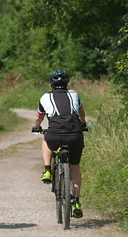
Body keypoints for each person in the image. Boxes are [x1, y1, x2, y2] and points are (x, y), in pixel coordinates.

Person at [32, 70, 87, 218]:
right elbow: (81, 112)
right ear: (67, 83)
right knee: (74, 168)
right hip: (75, 135)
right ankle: (76, 201)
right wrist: (83, 124)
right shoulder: (74, 95)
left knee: (45, 138)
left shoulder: (45, 97)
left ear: (51, 84)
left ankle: (47, 169)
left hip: (54, 135)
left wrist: (37, 127)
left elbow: (39, 117)